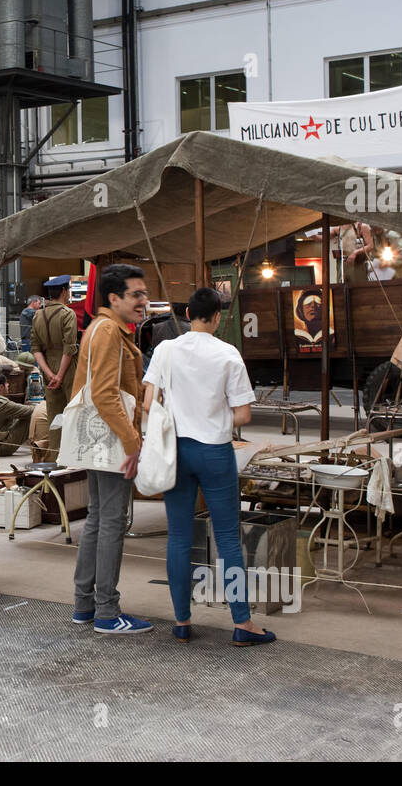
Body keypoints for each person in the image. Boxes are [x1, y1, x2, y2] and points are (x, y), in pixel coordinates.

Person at [143, 286, 274, 646]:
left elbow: (147, 401)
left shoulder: (166, 349)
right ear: (217, 317)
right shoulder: (228, 354)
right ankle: (242, 623)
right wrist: (213, 414)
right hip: (215, 452)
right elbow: (244, 413)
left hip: (177, 452)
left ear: (187, 312)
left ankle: (183, 621)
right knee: (228, 538)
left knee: (179, 537)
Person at [70, 264, 151, 635]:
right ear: (114, 298)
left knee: (100, 520)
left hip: (100, 438)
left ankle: (86, 605)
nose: (143, 300)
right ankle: (106, 610)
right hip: (111, 439)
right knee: (111, 522)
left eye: (144, 293)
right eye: (136, 294)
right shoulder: (108, 333)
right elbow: (104, 394)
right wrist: (133, 442)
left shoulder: (104, 328)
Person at [31, 275, 78, 461]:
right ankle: (73, 459)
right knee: (73, 412)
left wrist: (50, 373)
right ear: (64, 292)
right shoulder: (68, 314)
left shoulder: (37, 315)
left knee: (54, 416)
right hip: (68, 368)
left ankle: (56, 459)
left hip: (47, 366)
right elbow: (69, 347)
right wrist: (60, 375)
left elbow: (35, 348)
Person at [0, 375, 38, 457]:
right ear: (1, 387)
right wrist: (41, 406)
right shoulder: (2, 404)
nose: (8, 385)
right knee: (32, 416)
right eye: (6, 383)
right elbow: (29, 411)